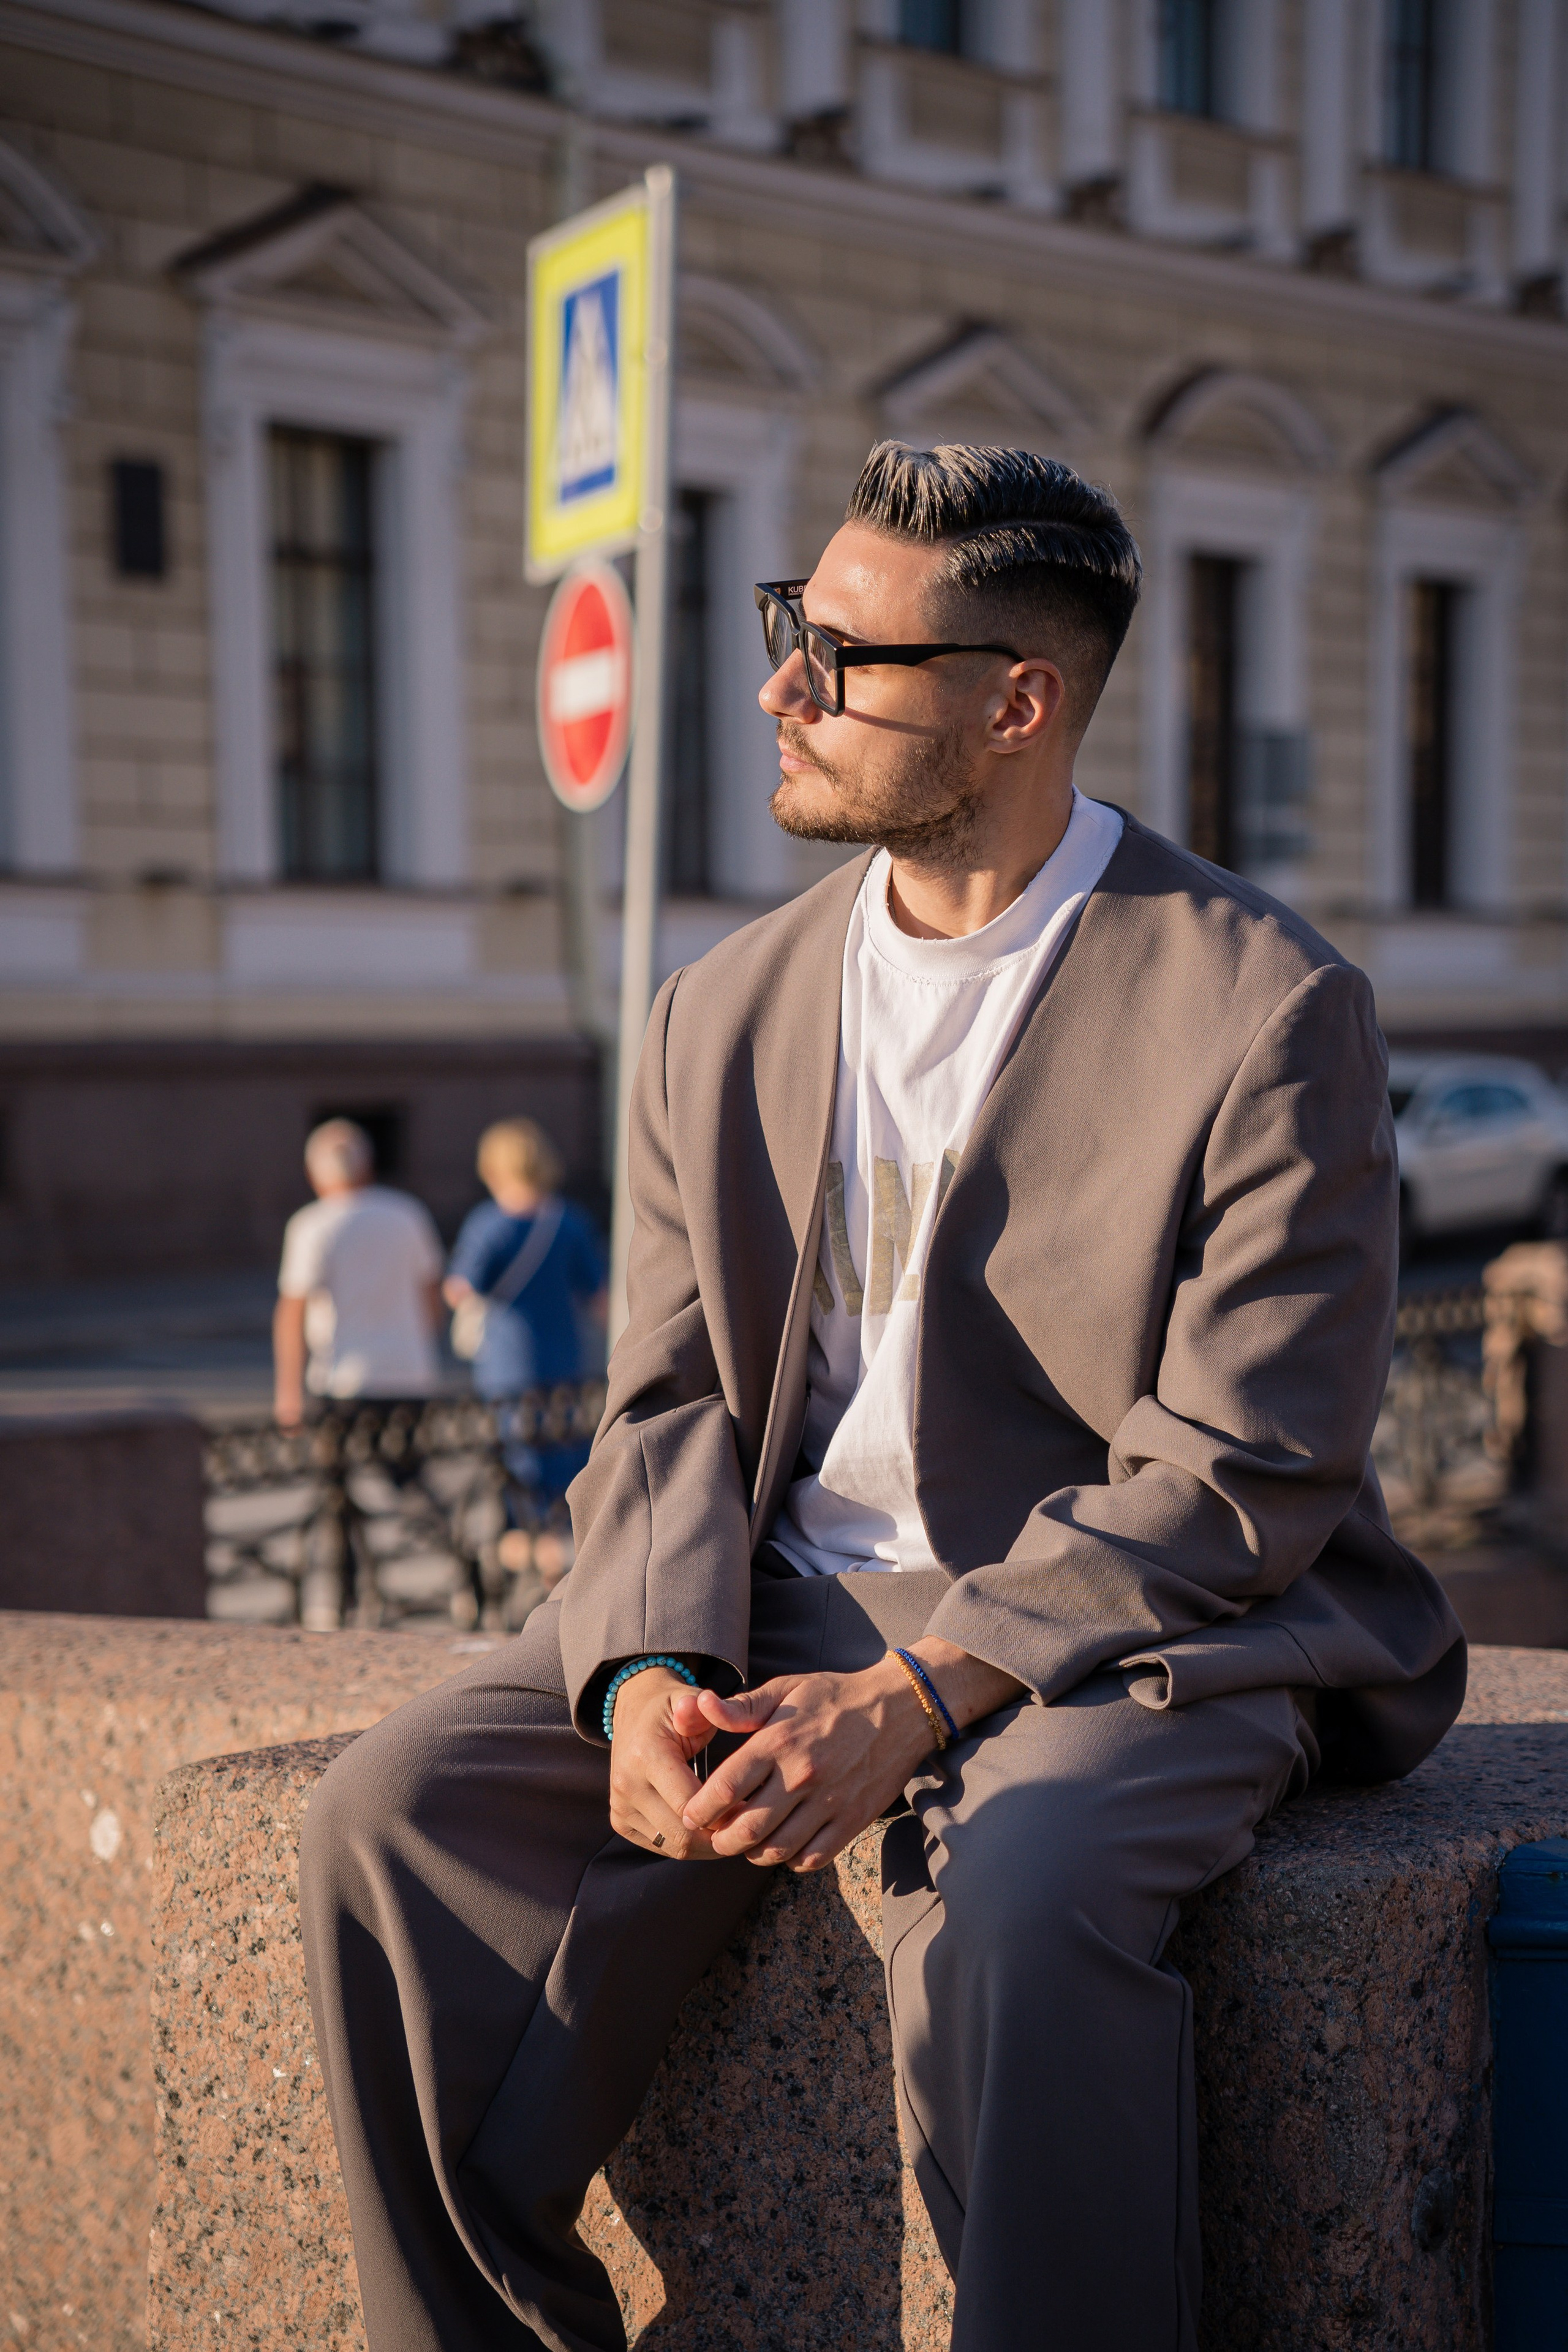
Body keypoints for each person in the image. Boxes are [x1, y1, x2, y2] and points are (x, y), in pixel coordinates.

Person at [300, 443, 1466, 2352]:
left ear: (1018, 703)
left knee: (1020, 1897)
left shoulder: (1261, 1003)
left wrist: (924, 1692)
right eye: (788, 628)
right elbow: (666, 1400)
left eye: (839, 656)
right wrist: (639, 1673)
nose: (780, 688)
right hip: (773, 1594)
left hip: (1126, 1628)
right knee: (391, 1812)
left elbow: (1244, 1465)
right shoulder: (720, 1005)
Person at [444, 1117, 607, 1559]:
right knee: (564, 1439)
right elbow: (598, 1296)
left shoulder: (488, 1224)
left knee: (516, 1451)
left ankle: (521, 1541)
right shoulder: (569, 1221)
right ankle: (561, 1538)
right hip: (564, 1353)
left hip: (508, 1358)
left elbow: (461, 1289)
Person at [273, 1118, 443, 1425]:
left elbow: (293, 1311)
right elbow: (431, 1296)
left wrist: (288, 1392)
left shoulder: (312, 1225)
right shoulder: (408, 1213)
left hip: (341, 1377)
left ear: (313, 1174)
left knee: (336, 1472)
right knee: (406, 1472)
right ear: (368, 1166)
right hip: (408, 1371)